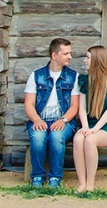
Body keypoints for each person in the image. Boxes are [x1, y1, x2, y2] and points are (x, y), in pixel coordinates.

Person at [24, 37, 80, 188]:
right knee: (38, 137)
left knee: (56, 136)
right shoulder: (36, 76)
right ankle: (37, 177)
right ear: (54, 55)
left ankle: (55, 178)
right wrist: (37, 120)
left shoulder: (73, 77)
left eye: (70, 53)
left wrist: (63, 120)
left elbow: (74, 106)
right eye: (66, 53)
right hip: (40, 119)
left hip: (64, 121)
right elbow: (29, 104)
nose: (70, 56)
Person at [71, 45, 107, 192]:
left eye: (88, 57)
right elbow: (82, 108)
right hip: (88, 124)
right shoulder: (84, 80)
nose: (84, 60)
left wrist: (95, 129)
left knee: (90, 140)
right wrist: (85, 127)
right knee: (78, 139)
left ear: (96, 59)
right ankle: (81, 183)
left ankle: (90, 185)